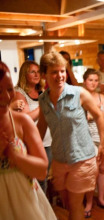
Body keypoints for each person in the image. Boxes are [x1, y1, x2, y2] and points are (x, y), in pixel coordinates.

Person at [37, 51, 104, 220]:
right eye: (54, 72)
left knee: (75, 207)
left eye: (62, 71)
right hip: (59, 160)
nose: (60, 75)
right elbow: (41, 128)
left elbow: (98, 116)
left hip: (82, 159)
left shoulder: (79, 93)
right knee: (68, 205)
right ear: (44, 74)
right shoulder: (43, 100)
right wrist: (33, 151)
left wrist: (102, 144)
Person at [0, 61, 56, 220]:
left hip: (26, 201)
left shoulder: (22, 122)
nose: (6, 96)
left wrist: (15, 156)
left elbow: (41, 170)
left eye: (10, 89)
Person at [10, 60, 53, 194]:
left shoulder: (41, 91)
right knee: (35, 179)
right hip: (31, 142)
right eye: (32, 72)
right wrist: (43, 106)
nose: (36, 75)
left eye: (38, 72)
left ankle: (44, 209)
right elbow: (26, 118)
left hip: (48, 140)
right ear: (24, 74)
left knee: (44, 176)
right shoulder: (19, 92)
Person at [82, 69, 104, 218]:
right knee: (91, 170)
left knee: (102, 168)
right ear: (84, 81)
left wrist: (92, 114)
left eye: (96, 80)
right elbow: (81, 118)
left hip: (103, 136)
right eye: (90, 80)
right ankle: (88, 203)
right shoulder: (80, 97)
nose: (93, 83)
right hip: (87, 136)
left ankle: (100, 199)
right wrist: (97, 113)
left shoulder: (102, 96)